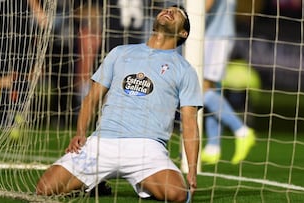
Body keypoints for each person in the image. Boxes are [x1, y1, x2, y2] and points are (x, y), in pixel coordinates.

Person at [36, 5, 203, 202]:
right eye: (167, 9)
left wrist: (192, 169)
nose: (169, 11)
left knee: (177, 195)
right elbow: (91, 98)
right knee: (45, 189)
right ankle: (94, 183)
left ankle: (141, 181)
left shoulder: (185, 69)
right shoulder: (120, 52)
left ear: (183, 32)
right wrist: (81, 133)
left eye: (178, 13)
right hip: (101, 144)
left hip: (146, 148)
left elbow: (190, 123)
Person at [201, 0, 256, 165]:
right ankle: (213, 147)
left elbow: (205, 6)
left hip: (214, 37)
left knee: (201, 90)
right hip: (215, 34)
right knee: (211, 91)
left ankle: (242, 130)